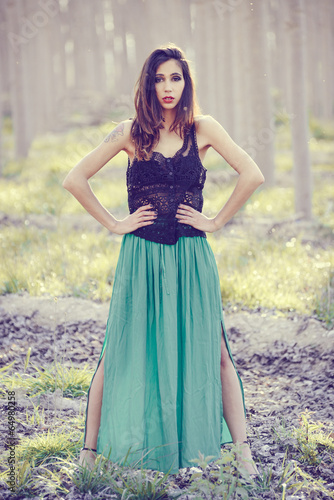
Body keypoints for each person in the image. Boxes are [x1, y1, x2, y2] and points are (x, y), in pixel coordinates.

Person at [63, 44, 264, 476]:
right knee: (117, 351)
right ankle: (89, 455)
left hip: (192, 258)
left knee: (218, 353)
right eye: (158, 78)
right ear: (147, 84)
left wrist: (216, 221)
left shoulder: (203, 128)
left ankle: (243, 452)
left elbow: (253, 174)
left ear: (186, 82)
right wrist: (116, 223)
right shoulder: (129, 133)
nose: (167, 87)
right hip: (142, 257)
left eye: (175, 78)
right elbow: (74, 179)